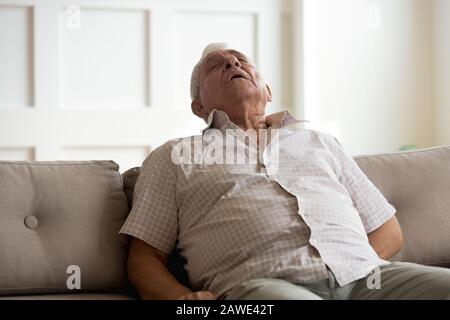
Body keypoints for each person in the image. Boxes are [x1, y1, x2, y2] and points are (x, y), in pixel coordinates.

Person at [119, 43, 450, 300]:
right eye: (216, 65)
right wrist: (181, 299)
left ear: (268, 91)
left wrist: (352, 267)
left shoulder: (320, 143)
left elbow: (388, 231)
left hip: (368, 278)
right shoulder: (175, 155)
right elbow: (144, 257)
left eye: (240, 60)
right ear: (199, 107)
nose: (233, 64)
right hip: (263, 289)